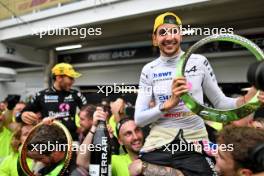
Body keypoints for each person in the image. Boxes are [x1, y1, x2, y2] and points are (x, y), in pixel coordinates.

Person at [133, 11, 264, 176]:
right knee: (135, 170)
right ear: (155, 39)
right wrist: (168, 104)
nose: (169, 37)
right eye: (162, 33)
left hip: (195, 143)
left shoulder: (199, 62)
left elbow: (222, 104)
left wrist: (251, 97)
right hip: (159, 144)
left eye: (174, 31)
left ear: (180, 35)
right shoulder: (149, 70)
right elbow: (139, 119)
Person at [16, 63, 87, 140]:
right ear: (59, 78)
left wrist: (83, 127)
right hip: (48, 140)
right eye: (71, 78)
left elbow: (89, 112)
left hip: (71, 139)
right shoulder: (41, 95)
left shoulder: (76, 94)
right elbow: (18, 116)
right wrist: (22, 115)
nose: (73, 81)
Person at [76, 107, 144, 176]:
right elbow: (82, 162)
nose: (136, 137)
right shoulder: (116, 161)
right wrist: (94, 127)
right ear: (120, 141)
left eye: (137, 130)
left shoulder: (154, 153)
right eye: (128, 134)